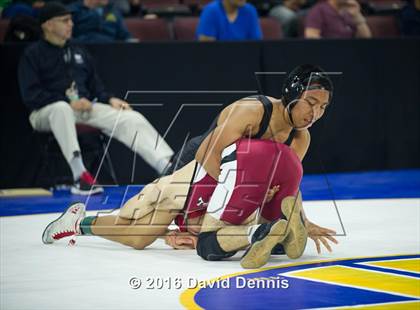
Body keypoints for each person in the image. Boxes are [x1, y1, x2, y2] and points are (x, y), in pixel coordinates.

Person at [42, 65, 338, 269]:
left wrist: (301, 219)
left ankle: (194, 228)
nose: (315, 113)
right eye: (310, 102)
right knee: (139, 235)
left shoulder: (300, 137)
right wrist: (207, 214)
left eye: (323, 108)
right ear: (292, 93)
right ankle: (77, 223)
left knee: (204, 230)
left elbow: (287, 182)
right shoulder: (252, 111)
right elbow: (209, 153)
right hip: (197, 164)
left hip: (233, 180)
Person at [18, 2, 174, 195]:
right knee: (61, 109)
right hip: (45, 113)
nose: (71, 24)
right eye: (65, 21)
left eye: (71, 20)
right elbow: (31, 95)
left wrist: (109, 99)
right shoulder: (33, 54)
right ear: (48, 25)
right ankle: (79, 175)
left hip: (82, 109)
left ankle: (166, 165)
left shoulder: (78, 50)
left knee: (128, 117)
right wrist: (67, 101)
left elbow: (95, 85)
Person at [69, 0, 135, 43]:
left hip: (111, 51)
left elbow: (125, 35)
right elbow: (67, 37)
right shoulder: (73, 10)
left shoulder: (113, 10)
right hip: (84, 49)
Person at [197, 0, 262, 41]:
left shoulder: (250, 11)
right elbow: (207, 51)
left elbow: (256, 46)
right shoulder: (211, 11)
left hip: (245, 60)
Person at [304, 0, 371, 39]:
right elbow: (311, 36)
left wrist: (357, 15)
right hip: (329, 53)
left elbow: (366, 39)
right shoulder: (319, 10)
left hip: (350, 52)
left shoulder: (350, 11)